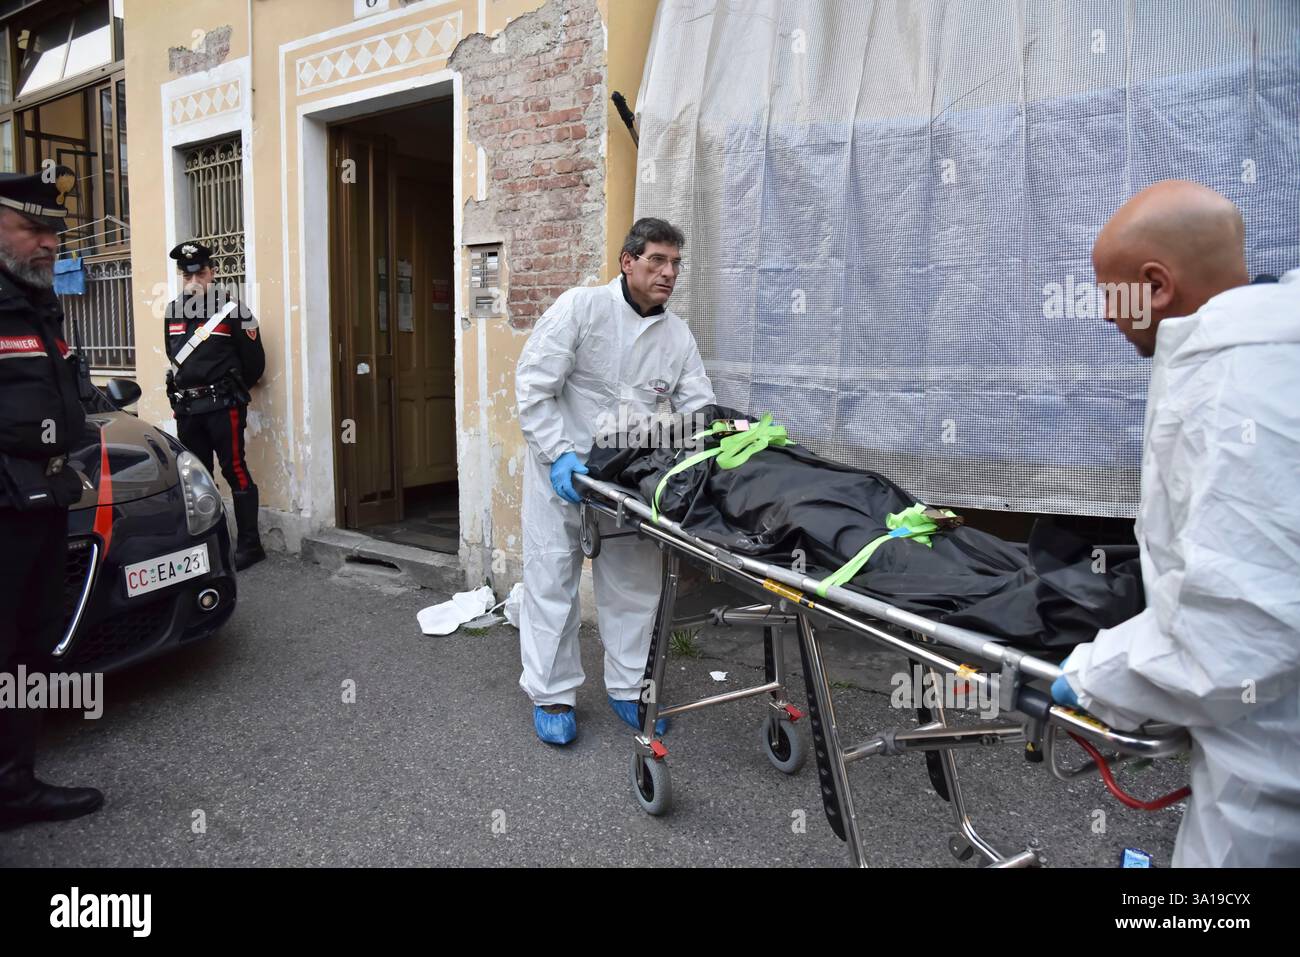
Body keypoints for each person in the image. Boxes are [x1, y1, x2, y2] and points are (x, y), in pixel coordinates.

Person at [1052, 180, 1300, 866]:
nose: (1105, 314)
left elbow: (1237, 635)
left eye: (1111, 292)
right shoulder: (1272, 353)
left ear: (1156, 284)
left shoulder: (1231, 399)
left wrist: (1091, 674)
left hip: (1273, 783)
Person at [515, 218, 715, 744]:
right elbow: (534, 386)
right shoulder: (582, 308)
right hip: (561, 474)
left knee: (634, 586)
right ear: (627, 261)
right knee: (552, 582)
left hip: (626, 483)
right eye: (656, 260)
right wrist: (558, 454)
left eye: (674, 263)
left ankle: (628, 688)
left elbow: (698, 409)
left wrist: (708, 453)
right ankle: (552, 693)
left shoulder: (677, 336)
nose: (668, 273)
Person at [0, 168, 103, 828]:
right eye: (32, 229)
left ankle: (14, 782)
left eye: (55, 234)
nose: (48, 244)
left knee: (27, 647)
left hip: (38, 501)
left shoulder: (37, 303)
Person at [164, 241, 266, 570]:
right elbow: (173, 354)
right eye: (187, 275)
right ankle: (210, 544)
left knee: (234, 471)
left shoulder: (235, 311)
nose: (194, 280)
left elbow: (254, 363)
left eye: (201, 273)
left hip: (223, 405)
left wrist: (228, 390)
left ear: (212, 273)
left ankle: (250, 546)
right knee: (198, 478)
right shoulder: (172, 311)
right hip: (189, 409)